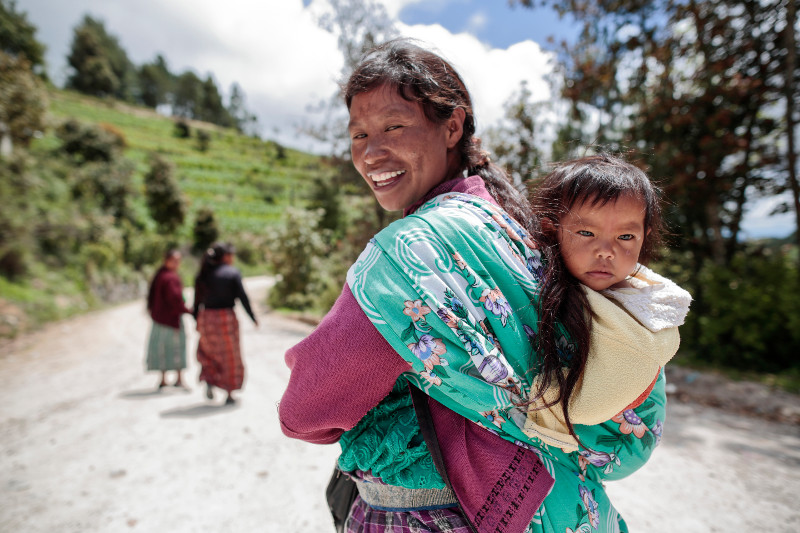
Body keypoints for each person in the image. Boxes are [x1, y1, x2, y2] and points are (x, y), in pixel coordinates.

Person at [279, 39, 673, 533]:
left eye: (393, 127)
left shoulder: (405, 257)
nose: (372, 153)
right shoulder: (512, 221)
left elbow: (304, 409)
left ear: (453, 126)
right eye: (358, 135)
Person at [523, 154, 692, 453]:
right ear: (551, 230)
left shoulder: (641, 300)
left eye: (625, 236)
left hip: (621, 443)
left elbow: (583, 407)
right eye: (587, 232)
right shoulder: (536, 279)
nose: (607, 251)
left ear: (644, 237)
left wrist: (548, 396)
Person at [193, 242, 258, 405]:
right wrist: (253, 317)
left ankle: (209, 380)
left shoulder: (203, 274)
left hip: (206, 318)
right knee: (229, 355)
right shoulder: (232, 273)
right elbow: (243, 298)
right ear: (226, 256)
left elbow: (196, 302)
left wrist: (197, 321)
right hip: (225, 319)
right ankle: (229, 393)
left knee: (209, 352)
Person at [145, 249, 192, 389]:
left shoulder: (160, 275)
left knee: (161, 349)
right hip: (171, 319)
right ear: (167, 261)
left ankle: (164, 379)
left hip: (159, 319)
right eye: (174, 261)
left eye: (178, 261)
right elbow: (175, 299)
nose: (177, 263)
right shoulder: (169, 277)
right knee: (177, 348)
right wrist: (187, 310)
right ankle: (178, 378)